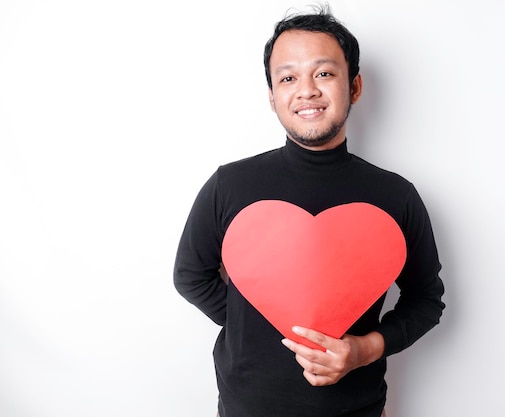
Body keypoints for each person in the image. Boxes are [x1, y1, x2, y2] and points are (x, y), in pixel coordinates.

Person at [174, 5, 445, 417]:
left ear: (354, 87)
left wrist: (361, 349)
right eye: (287, 77)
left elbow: (426, 300)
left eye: (324, 73)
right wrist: (256, 317)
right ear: (271, 97)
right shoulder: (229, 185)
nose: (307, 90)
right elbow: (190, 275)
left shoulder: (396, 196)